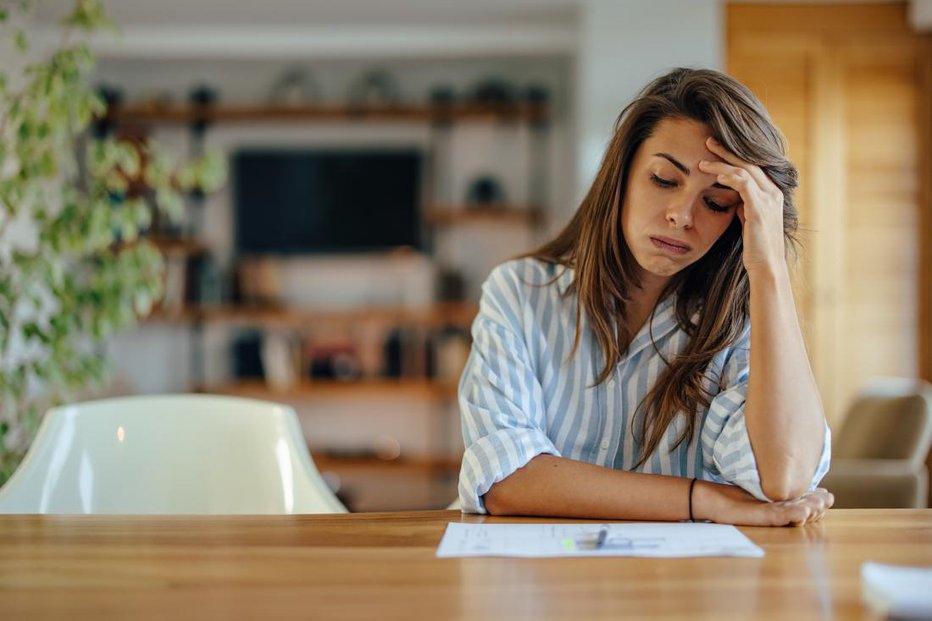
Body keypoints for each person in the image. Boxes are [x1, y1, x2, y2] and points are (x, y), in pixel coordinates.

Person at [457, 68, 834, 526]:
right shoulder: (518, 293)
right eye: (663, 179)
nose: (682, 216)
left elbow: (786, 478)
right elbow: (505, 480)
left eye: (715, 202)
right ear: (622, 176)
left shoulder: (741, 326)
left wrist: (769, 267)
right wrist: (702, 500)